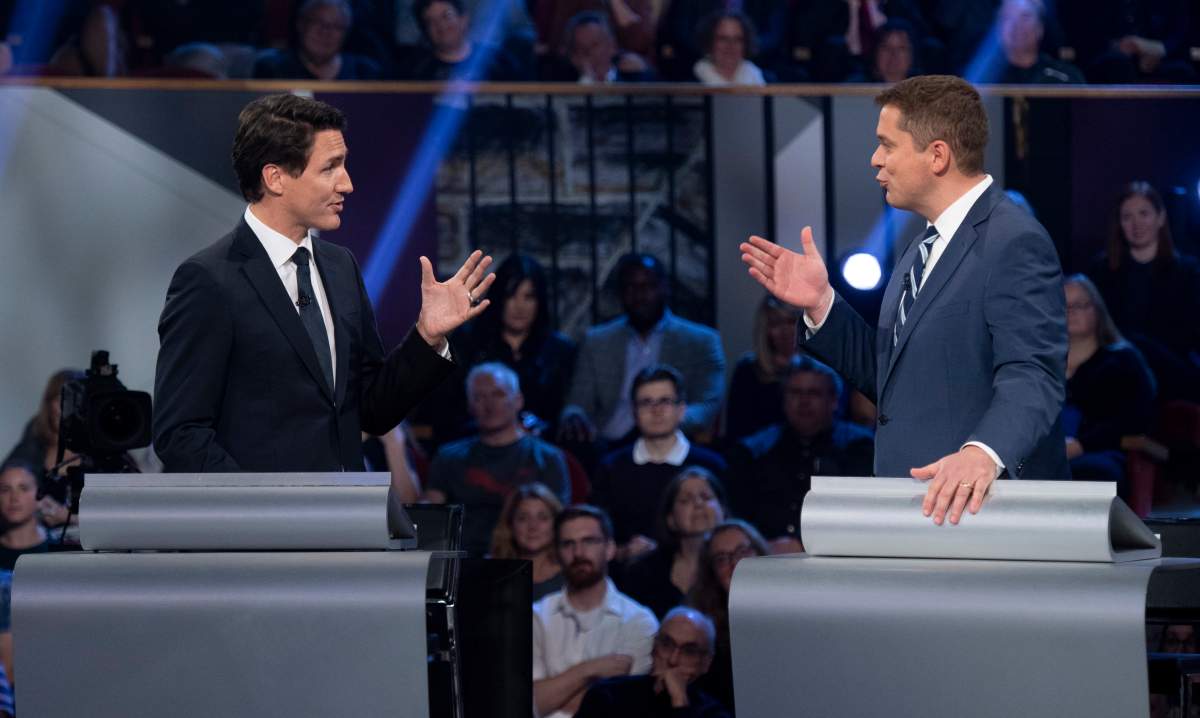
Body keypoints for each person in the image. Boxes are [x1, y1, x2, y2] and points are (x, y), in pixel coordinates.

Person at [740, 75, 1069, 526]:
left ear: (937, 155)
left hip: (981, 511)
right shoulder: (922, 247)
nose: (875, 159)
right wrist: (821, 304)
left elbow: (1034, 374)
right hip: (920, 507)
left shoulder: (1013, 241)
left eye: (887, 145)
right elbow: (896, 381)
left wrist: (982, 453)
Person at [153, 93, 495, 473]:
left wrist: (427, 336)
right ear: (275, 178)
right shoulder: (209, 280)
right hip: (264, 510)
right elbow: (180, 433)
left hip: (345, 506)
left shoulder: (340, 266)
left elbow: (372, 411)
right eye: (330, 168)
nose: (347, 184)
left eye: (343, 165)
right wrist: (259, 502)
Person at [560, 253, 726, 448]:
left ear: (664, 288)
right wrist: (574, 417)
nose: (639, 295)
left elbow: (707, 405)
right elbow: (578, 403)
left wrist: (661, 421)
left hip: (671, 441)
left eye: (648, 285)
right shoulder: (596, 341)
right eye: (630, 287)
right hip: (606, 444)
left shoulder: (701, 341)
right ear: (621, 293)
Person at [725, 356, 875, 552]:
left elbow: (862, 514)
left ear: (834, 401)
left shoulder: (860, 448)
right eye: (795, 392)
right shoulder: (753, 451)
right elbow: (738, 516)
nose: (804, 401)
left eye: (814, 393)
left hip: (838, 552)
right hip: (764, 555)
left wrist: (802, 544)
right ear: (783, 399)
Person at [423, 363, 571, 556]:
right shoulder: (448, 456)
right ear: (469, 406)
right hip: (462, 559)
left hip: (525, 558)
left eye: (498, 394)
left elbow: (560, 522)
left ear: (518, 400)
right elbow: (430, 515)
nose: (489, 405)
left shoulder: (548, 458)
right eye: (479, 397)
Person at [533, 505, 659, 718]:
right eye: (568, 544)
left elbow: (625, 708)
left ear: (610, 549)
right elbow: (528, 704)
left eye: (589, 541)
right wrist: (589, 670)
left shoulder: (639, 622)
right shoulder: (537, 616)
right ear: (557, 553)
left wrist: (554, 692)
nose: (578, 553)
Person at [592, 366, 727, 556]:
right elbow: (598, 535)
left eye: (665, 401)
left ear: (681, 410)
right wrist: (624, 551)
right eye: (646, 402)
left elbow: (728, 530)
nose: (656, 410)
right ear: (634, 412)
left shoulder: (712, 466)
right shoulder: (610, 467)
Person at [1087, 181, 1200, 403]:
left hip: (1170, 376)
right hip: (1117, 375)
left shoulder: (1188, 272)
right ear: (1119, 223)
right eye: (1127, 217)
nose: (1136, 224)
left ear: (1160, 217)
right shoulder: (1101, 270)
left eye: (1144, 214)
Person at [460, 253, 578, 435]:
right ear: (499, 298)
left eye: (528, 297)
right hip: (479, 440)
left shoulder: (560, 351)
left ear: (539, 302)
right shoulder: (469, 343)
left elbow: (568, 409)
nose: (519, 306)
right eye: (511, 296)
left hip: (543, 442)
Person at [1063, 275, 1156, 495]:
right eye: (1064, 306)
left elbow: (1135, 418)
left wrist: (1081, 445)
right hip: (1046, 454)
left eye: (1080, 304)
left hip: (1100, 453)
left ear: (1097, 309)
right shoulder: (1039, 363)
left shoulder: (1123, 361)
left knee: (1092, 475)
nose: (1071, 312)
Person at [576, 607, 731, 718]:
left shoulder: (714, 714)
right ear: (654, 647)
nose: (673, 660)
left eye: (688, 651)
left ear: (706, 662)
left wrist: (679, 702)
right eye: (667, 644)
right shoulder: (608, 695)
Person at [618, 468, 727, 621]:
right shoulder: (643, 572)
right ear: (671, 519)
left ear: (723, 510)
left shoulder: (737, 567)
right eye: (685, 500)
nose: (698, 503)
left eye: (706, 497)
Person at [687, 519, 770, 715]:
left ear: (760, 553)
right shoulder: (705, 632)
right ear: (713, 574)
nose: (735, 564)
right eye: (722, 559)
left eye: (742, 552)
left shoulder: (792, 611)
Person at [724, 295, 801, 442]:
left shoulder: (819, 369)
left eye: (791, 321)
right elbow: (736, 429)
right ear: (766, 329)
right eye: (776, 324)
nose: (786, 331)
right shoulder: (749, 369)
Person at [252, 0, 382, 80]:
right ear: (301, 24)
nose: (325, 32)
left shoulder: (365, 72)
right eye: (318, 22)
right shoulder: (272, 68)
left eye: (336, 26)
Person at [408, 0, 523, 81]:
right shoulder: (417, 71)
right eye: (431, 21)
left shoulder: (499, 61)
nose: (441, 25)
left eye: (446, 16)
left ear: (464, 19)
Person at [489, 482, 565, 601]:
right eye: (523, 518)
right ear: (510, 525)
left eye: (543, 517)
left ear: (556, 524)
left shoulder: (572, 573)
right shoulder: (491, 575)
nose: (533, 527)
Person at [978, 0, 1084, 84]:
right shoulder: (982, 78)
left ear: (1040, 28)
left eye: (1025, 17)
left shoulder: (1065, 77)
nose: (1016, 25)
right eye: (1008, 17)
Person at [561, 11, 654, 84]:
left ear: (612, 46)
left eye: (595, 45)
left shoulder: (638, 81)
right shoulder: (562, 86)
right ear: (573, 56)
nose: (589, 52)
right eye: (581, 48)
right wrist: (588, 81)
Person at [692, 12, 767, 86]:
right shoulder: (692, 83)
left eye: (738, 39)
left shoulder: (758, 79)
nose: (731, 46)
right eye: (723, 38)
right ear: (709, 41)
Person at [0, 462, 50, 571]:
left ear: (40, 495)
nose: (14, 498)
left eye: (23, 488)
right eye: (5, 490)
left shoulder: (59, 549)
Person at [848, 19, 918, 83]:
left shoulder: (922, 88)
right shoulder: (853, 87)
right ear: (875, 53)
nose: (894, 55)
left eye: (901, 48)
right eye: (886, 48)